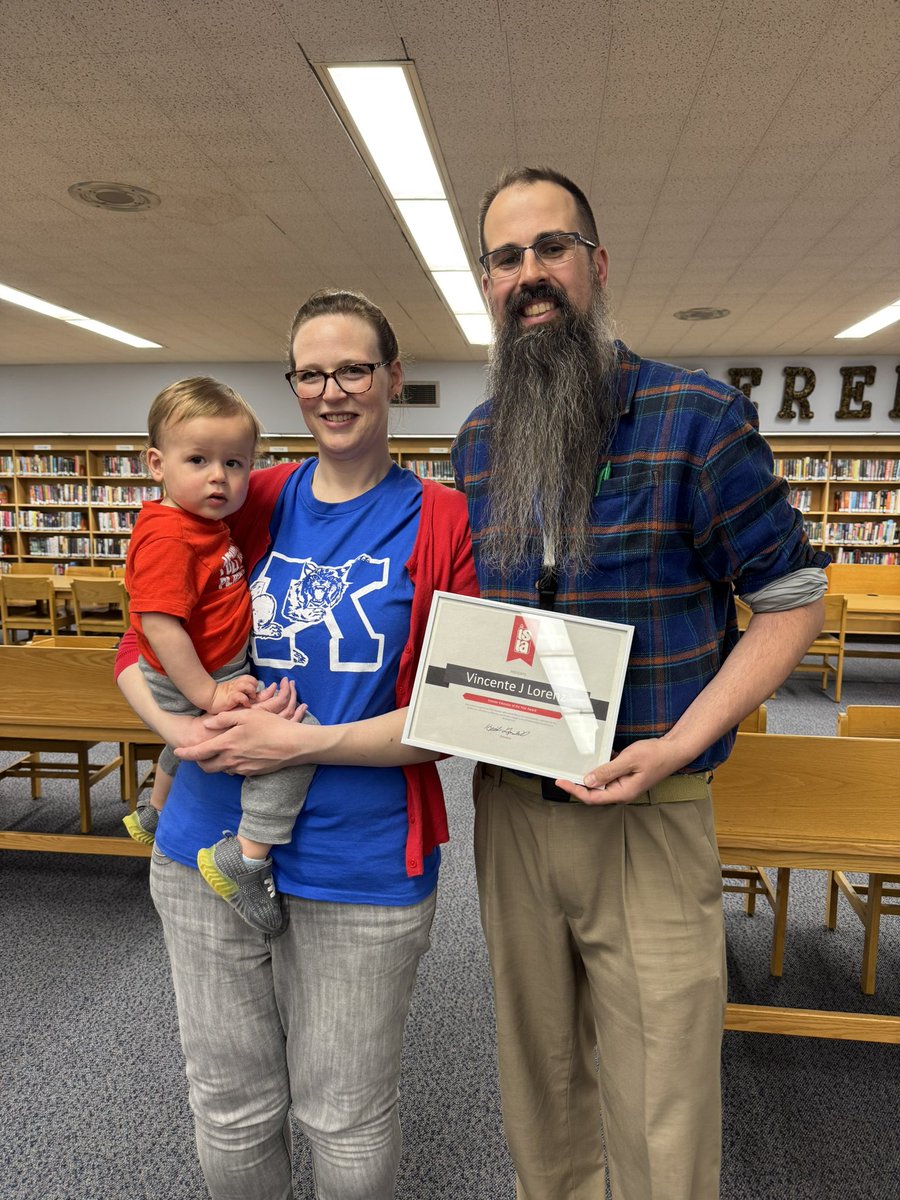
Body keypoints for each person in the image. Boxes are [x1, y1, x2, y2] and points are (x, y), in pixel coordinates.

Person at [451, 167, 830, 1200]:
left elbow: (794, 597)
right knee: (542, 1092)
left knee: (663, 1110)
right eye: (506, 256)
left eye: (552, 248)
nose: (530, 275)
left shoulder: (695, 417)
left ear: (597, 265)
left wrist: (679, 741)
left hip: (650, 815)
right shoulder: (480, 441)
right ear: (487, 281)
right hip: (514, 817)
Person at [116, 289, 478, 1200]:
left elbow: (460, 714)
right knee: (230, 1101)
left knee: (345, 1111)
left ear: (393, 377)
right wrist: (179, 731)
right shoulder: (246, 492)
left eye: (354, 368)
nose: (333, 391)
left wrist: (292, 744)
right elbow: (148, 632)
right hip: (203, 843)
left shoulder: (443, 521)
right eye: (311, 373)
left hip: (361, 863)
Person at [121, 376, 317, 936]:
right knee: (298, 743)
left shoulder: (204, 525)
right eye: (199, 459)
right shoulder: (169, 538)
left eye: (235, 463)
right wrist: (207, 694)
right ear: (156, 463)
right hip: (199, 677)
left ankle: (154, 809)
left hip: (209, 670)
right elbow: (158, 627)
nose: (219, 477)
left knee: (183, 744)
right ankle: (249, 856)